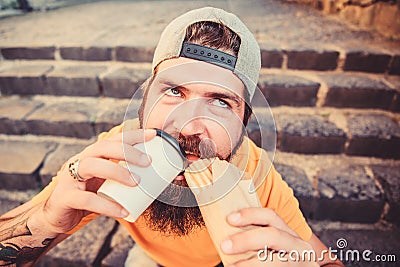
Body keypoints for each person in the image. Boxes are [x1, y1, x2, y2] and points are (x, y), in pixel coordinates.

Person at [0, 7, 344, 267]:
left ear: (243, 124)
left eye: (221, 101)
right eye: (174, 91)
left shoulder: (258, 177)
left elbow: (328, 260)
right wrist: (46, 220)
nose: (188, 125)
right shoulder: (115, 157)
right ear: (144, 100)